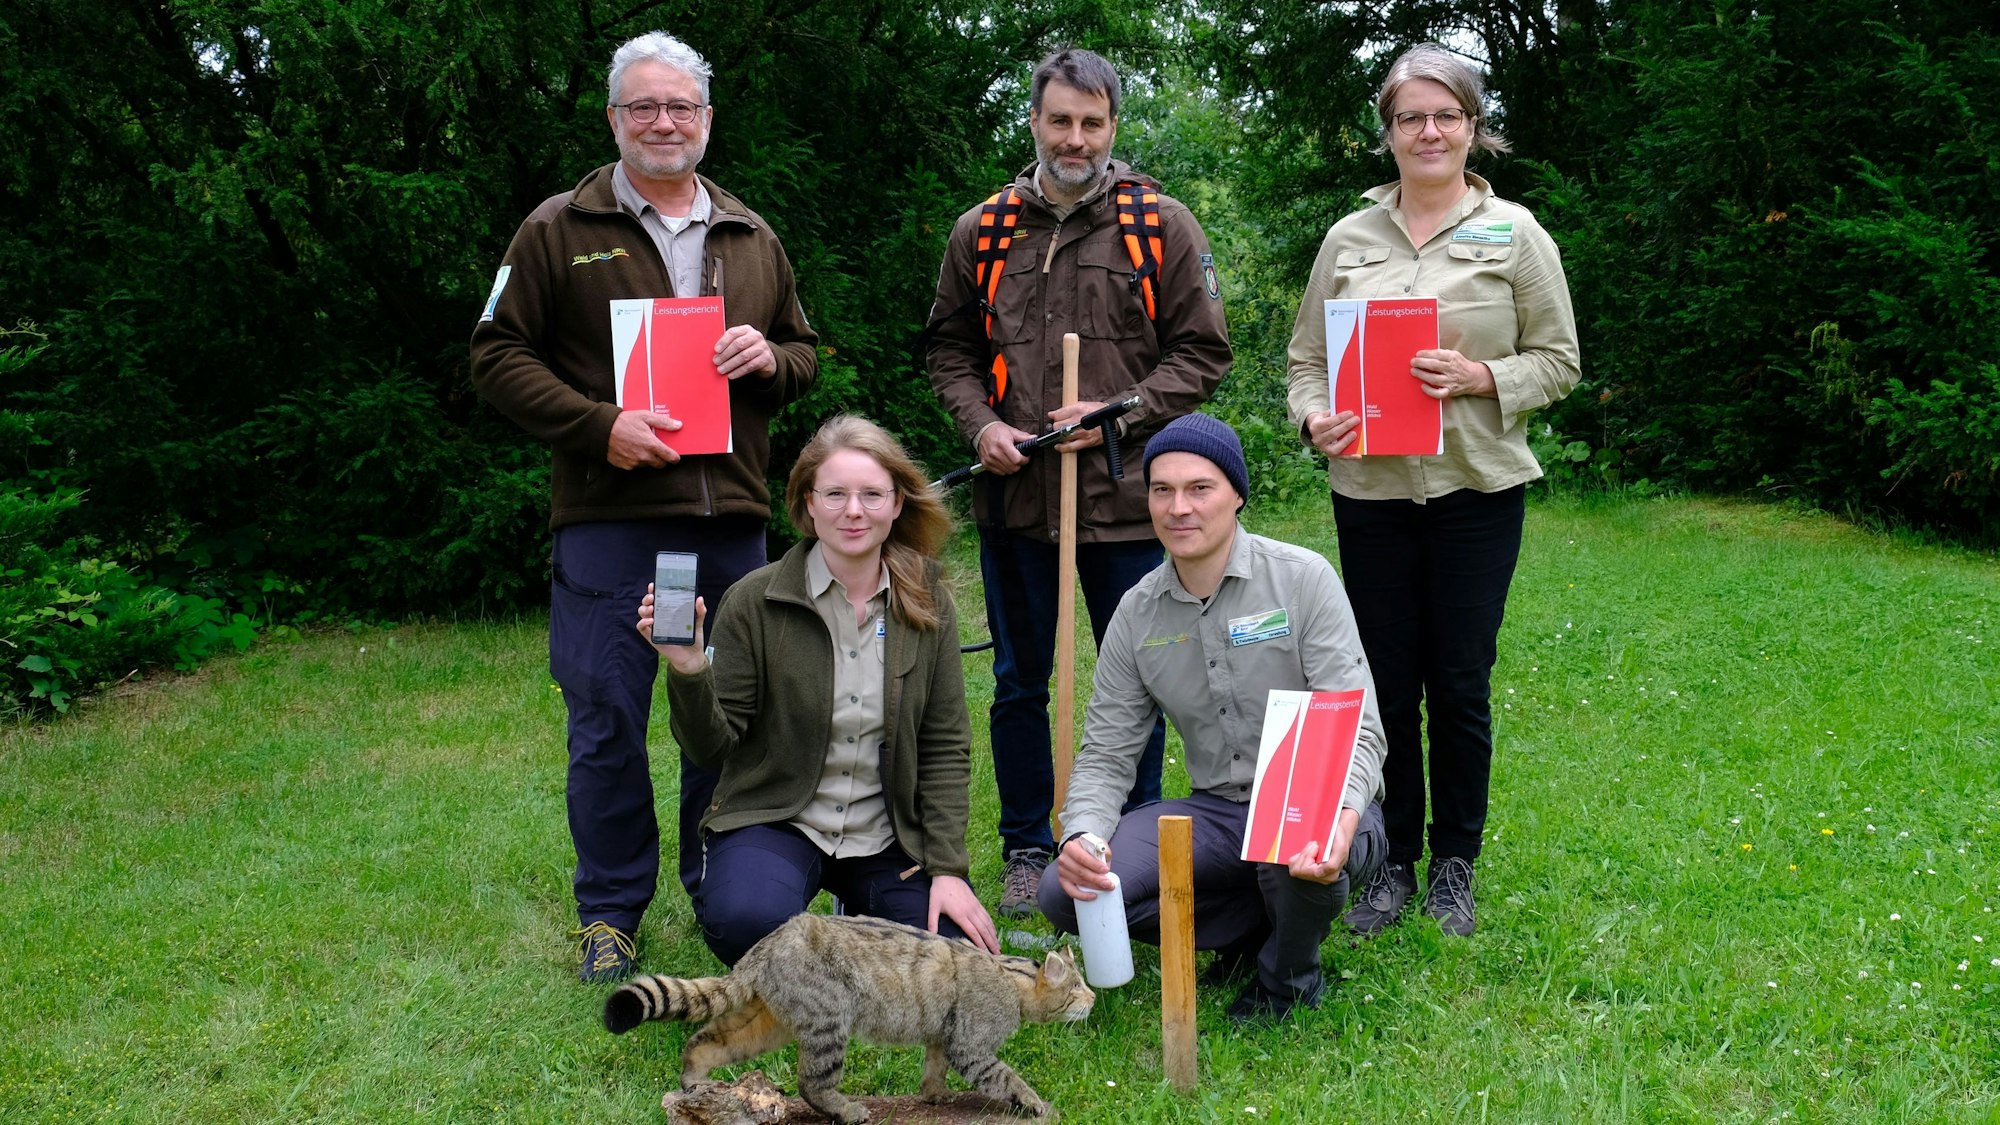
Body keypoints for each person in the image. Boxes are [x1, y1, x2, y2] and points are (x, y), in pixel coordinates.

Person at [469, 31, 819, 980]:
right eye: (643, 107)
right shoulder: (555, 230)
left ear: (707, 118)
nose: (664, 122)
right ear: (614, 119)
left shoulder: (750, 233)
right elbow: (495, 357)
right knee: (608, 718)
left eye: (681, 107)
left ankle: (722, 890)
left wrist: (771, 361)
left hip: (730, 522)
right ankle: (612, 912)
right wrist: (598, 425)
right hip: (611, 522)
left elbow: (803, 352)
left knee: (729, 718)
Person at [924, 47, 1232, 916]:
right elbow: (947, 350)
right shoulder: (980, 231)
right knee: (1021, 679)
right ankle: (1028, 846)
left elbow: (1204, 353)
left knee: (1141, 680)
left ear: (1113, 126)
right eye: (1060, 120)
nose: (1076, 138)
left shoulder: (1160, 225)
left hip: (1131, 505)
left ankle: (1123, 841)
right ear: (1033, 121)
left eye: (1092, 123)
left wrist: (1116, 411)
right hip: (1018, 504)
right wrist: (981, 426)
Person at [1284, 44, 1581, 938]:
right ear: (1388, 134)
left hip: (1475, 490)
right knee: (1383, 681)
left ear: (1472, 128)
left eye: (1446, 114)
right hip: (1369, 492)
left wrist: (1482, 376)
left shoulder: (1517, 234)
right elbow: (1304, 364)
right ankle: (1396, 864)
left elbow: (1560, 361)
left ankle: (1456, 863)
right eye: (1411, 116)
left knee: (1457, 680)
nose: (1429, 131)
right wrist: (1312, 421)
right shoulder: (1349, 238)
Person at [1037, 414, 1387, 1024]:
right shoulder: (1137, 613)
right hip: (1219, 810)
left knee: (1291, 849)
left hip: (1321, 801)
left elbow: (1359, 725)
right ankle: (1253, 927)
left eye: (1201, 488)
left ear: (1237, 495)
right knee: (1064, 892)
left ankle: (1287, 980)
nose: (1179, 508)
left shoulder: (1303, 581)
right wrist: (1082, 836)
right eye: (1162, 490)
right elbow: (1107, 753)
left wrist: (1344, 813)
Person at [637, 415, 1000, 966]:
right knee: (747, 923)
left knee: (951, 956)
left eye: (872, 495)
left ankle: (844, 934)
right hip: (779, 820)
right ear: (808, 503)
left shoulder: (926, 602)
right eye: (835, 494)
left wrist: (948, 871)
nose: (853, 511)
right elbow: (711, 749)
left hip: (884, 837)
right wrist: (689, 668)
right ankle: (808, 924)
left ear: (897, 503)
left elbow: (945, 744)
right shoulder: (754, 601)